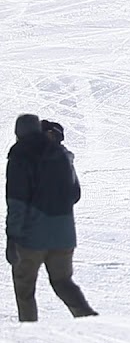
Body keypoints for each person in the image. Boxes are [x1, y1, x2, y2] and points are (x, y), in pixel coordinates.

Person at [6, 114, 97, 321]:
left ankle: (29, 329)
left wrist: (12, 239)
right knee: (63, 283)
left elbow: (17, 203)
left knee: (24, 288)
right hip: (63, 235)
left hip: (31, 238)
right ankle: (90, 321)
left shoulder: (19, 156)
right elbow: (74, 194)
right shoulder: (62, 155)